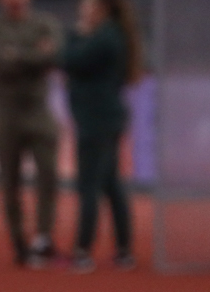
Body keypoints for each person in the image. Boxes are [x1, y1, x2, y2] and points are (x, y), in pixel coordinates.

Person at [0, 0, 62, 269]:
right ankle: (19, 242)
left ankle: (43, 237)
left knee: (48, 174)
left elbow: (52, 56)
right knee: (9, 181)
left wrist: (16, 55)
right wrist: (32, 57)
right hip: (7, 115)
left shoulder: (45, 24)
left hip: (39, 112)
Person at [59, 0, 141, 273]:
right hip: (106, 117)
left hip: (97, 120)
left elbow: (70, 59)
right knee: (110, 182)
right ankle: (124, 250)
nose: (82, 9)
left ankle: (83, 250)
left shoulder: (104, 37)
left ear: (101, 8)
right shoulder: (112, 34)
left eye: (87, 4)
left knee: (89, 185)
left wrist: (74, 35)